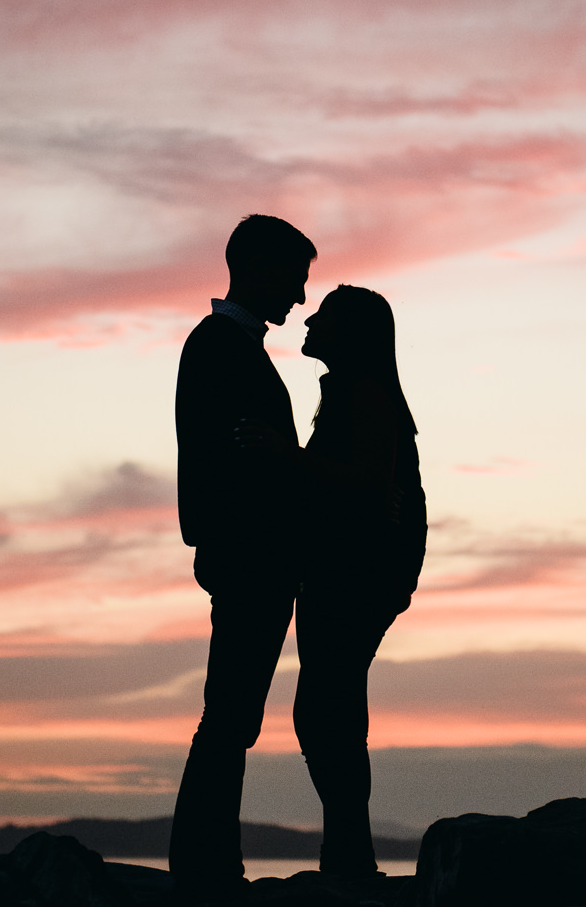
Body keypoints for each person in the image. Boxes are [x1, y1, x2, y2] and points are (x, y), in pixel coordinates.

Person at [241, 284, 427, 881]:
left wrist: (279, 452)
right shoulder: (349, 392)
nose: (309, 319)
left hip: (356, 572)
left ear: (349, 332)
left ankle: (349, 854)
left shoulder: (366, 393)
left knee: (327, 708)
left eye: (323, 315)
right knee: (331, 707)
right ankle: (347, 850)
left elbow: (369, 485)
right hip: (345, 568)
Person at [169, 214, 317, 901]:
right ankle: (205, 867)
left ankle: (206, 864)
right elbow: (220, 457)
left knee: (232, 714)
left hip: (247, 552)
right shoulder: (220, 347)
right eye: (295, 278)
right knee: (230, 715)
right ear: (258, 268)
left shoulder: (228, 346)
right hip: (247, 555)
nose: (301, 297)